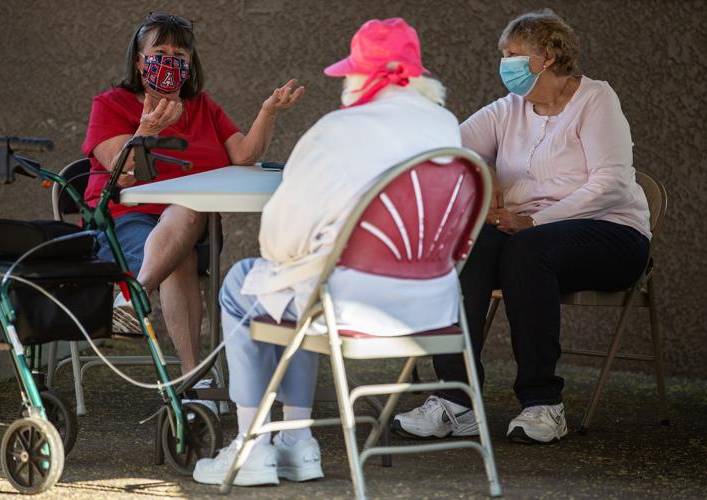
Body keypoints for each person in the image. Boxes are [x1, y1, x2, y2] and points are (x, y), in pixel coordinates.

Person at [192, 18, 462, 487]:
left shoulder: (335, 132)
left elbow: (278, 240)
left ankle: (255, 446)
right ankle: (298, 444)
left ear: (363, 76)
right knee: (299, 287)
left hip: (346, 303)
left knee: (248, 282)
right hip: (431, 308)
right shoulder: (446, 127)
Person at [393, 9, 651, 444]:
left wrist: (533, 220)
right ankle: (456, 401)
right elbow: (446, 148)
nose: (505, 63)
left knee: (527, 249)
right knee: (468, 242)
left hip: (610, 233)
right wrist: (484, 171)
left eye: (513, 54)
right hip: (526, 237)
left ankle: (543, 404)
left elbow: (610, 184)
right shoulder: (508, 109)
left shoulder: (596, 101)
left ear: (547, 56)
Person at [81, 12, 303, 378]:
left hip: (193, 225)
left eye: (180, 54)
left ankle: (132, 301)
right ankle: (192, 378)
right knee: (180, 250)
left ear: (190, 64)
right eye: (160, 50)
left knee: (186, 215)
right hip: (125, 224)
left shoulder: (203, 105)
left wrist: (268, 113)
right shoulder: (111, 104)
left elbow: (244, 156)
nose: (171, 59)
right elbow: (123, 169)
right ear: (139, 61)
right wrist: (145, 128)